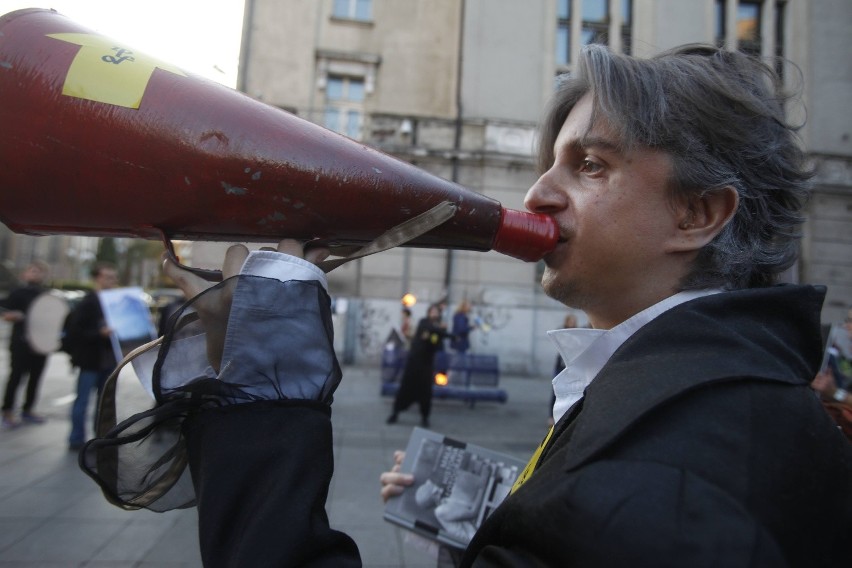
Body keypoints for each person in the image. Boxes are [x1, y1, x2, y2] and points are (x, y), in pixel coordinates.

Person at [82, 44, 852, 567]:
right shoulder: (716, 398)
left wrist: (268, 393)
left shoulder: (670, 475)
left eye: (589, 165)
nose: (537, 195)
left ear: (697, 215)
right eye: (549, 163)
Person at [68, 262, 118, 451]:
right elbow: (75, 332)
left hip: (108, 361)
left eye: (113, 277)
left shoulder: (113, 302)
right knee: (82, 401)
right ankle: (76, 439)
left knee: (103, 404)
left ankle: (101, 438)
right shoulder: (88, 302)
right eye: (108, 277)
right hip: (90, 361)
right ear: (98, 278)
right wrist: (99, 333)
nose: (112, 281)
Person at [0, 261, 50, 428]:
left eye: (38, 272)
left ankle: (28, 410)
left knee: (35, 378)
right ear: (25, 274)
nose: (35, 275)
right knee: (16, 378)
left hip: (41, 344)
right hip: (20, 343)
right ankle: (7, 411)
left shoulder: (45, 294)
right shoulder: (17, 293)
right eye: (32, 271)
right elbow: (5, 314)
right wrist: (15, 316)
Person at [386, 303, 450, 427]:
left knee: (425, 392)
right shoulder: (424, 322)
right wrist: (443, 331)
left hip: (426, 365)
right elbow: (431, 330)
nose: (434, 313)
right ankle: (395, 413)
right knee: (405, 389)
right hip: (414, 363)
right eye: (432, 311)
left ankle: (425, 417)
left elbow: (436, 343)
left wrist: (444, 334)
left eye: (436, 312)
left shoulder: (438, 328)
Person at [547, 312, 578, 426]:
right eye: (571, 321)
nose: (573, 323)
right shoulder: (562, 332)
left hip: (570, 365)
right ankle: (551, 415)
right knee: (555, 391)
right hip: (560, 365)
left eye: (574, 321)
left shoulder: (577, 333)